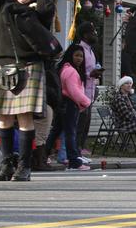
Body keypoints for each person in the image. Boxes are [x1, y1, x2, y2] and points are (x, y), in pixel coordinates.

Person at [0, 0, 62, 182]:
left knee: (24, 118)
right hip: (3, 63)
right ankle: (7, 165)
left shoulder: (39, 8)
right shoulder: (5, 4)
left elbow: (47, 10)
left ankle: (24, 166)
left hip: (29, 64)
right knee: (4, 118)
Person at [43, 44, 93, 170]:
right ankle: (74, 161)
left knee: (56, 132)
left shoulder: (67, 69)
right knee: (70, 133)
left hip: (64, 103)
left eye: (81, 56)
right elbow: (73, 91)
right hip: (70, 103)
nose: (79, 58)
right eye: (76, 55)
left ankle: (42, 156)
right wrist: (86, 102)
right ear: (70, 55)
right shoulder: (70, 71)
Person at [75, 22, 103, 156]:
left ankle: (81, 146)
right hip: (81, 91)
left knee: (86, 123)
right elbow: (76, 70)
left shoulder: (91, 51)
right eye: (92, 32)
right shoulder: (79, 50)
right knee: (80, 123)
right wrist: (89, 74)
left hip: (91, 92)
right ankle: (76, 148)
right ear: (85, 35)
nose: (95, 34)